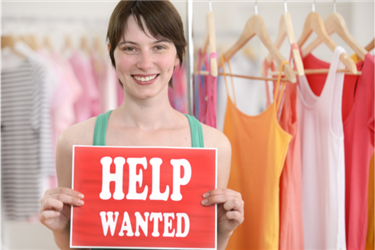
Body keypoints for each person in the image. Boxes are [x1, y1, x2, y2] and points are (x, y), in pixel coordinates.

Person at [39, 0, 244, 249]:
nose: (146, 63)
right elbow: (79, 242)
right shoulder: (75, 142)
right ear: (111, 51)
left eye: (159, 47)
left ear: (179, 54)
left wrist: (222, 233)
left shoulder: (214, 146)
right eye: (130, 48)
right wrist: (61, 233)